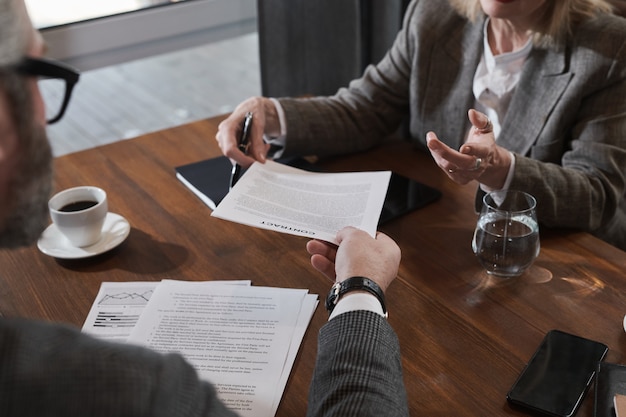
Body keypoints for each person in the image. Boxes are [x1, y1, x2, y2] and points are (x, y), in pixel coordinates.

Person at [0, 0, 409, 415]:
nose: (41, 105)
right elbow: (369, 104)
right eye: (40, 72)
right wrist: (360, 288)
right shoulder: (137, 391)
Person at [216, 0, 626, 251]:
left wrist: (501, 169)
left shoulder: (609, 48)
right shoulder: (435, 14)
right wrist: (270, 111)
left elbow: (597, 195)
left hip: (547, 260)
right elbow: (366, 108)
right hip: (435, 240)